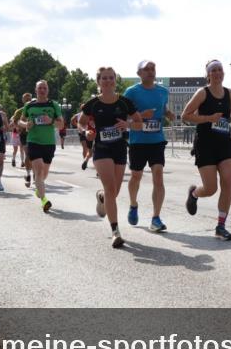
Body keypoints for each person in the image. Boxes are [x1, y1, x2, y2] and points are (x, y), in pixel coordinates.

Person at [80, 66, 149, 247]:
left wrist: (128, 124)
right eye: (104, 78)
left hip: (119, 149)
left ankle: (102, 197)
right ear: (99, 81)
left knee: (114, 192)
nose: (108, 81)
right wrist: (86, 132)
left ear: (115, 80)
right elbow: (80, 122)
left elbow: (140, 123)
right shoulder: (93, 103)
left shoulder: (124, 103)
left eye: (111, 77)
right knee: (111, 189)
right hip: (101, 149)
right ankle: (115, 231)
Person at [182, 59, 231, 240]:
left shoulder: (229, 93)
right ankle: (194, 193)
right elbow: (185, 115)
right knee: (210, 189)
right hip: (205, 144)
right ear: (208, 75)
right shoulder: (202, 93)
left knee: (227, 182)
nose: (217, 73)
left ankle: (221, 226)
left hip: (224, 143)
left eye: (220, 70)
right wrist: (208, 118)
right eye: (213, 70)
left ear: (223, 73)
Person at [123, 60, 174, 232]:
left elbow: (162, 108)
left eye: (153, 69)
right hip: (138, 141)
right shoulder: (131, 92)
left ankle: (156, 218)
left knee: (158, 176)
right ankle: (133, 204)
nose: (151, 72)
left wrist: (168, 114)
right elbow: (123, 116)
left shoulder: (163, 91)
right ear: (139, 73)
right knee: (136, 176)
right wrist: (140, 116)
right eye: (146, 69)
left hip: (157, 140)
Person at [18, 81, 64, 212]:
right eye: (40, 88)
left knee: (44, 174)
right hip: (33, 141)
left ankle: (39, 188)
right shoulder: (29, 105)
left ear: (47, 90)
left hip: (49, 143)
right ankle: (44, 200)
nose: (42, 90)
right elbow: (20, 121)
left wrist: (51, 121)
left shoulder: (53, 105)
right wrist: (25, 125)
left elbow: (61, 124)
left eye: (44, 88)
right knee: (38, 171)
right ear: (36, 90)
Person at [10, 93, 33, 185]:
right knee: (28, 154)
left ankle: (35, 173)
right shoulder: (19, 111)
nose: (28, 100)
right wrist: (19, 128)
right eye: (26, 99)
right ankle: (28, 174)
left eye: (29, 99)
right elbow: (15, 122)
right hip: (24, 135)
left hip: (36, 134)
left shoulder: (35, 109)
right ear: (23, 100)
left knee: (35, 155)